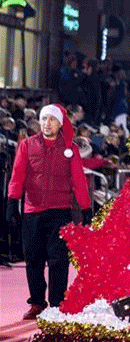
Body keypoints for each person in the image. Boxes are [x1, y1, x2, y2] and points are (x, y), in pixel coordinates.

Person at [6, 104, 91, 319]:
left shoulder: (69, 148)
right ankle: (36, 302)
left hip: (59, 211)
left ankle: (55, 304)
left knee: (58, 260)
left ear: (60, 123)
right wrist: (12, 202)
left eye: (51, 120)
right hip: (32, 211)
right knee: (33, 259)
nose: (46, 123)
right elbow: (17, 175)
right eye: (43, 119)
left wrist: (86, 206)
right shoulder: (27, 145)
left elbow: (78, 179)